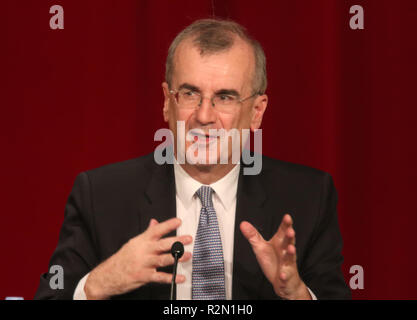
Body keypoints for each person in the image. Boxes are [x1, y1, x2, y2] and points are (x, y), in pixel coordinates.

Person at [34, 19, 351, 300]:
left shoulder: (308, 197)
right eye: (189, 94)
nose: (203, 116)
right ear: (166, 103)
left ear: (257, 111)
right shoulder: (101, 195)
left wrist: (296, 295)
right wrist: (99, 284)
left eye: (224, 97)